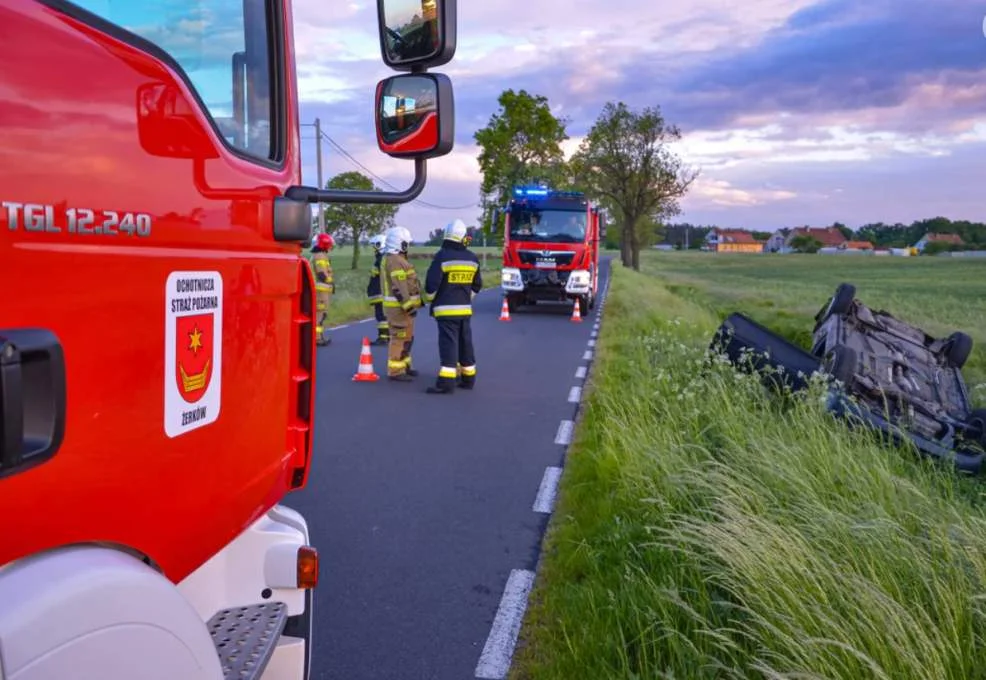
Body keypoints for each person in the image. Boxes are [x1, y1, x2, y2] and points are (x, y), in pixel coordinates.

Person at [423, 219, 482, 394]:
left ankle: (446, 383)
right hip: (465, 309)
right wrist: (465, 298)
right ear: (463, 237)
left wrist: (430, 299)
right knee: (466, 344)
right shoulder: (472, 258)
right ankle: (468, 378)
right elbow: (477, 285)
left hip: (445, 310)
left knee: (449, 344)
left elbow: (431, 285)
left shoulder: (442, 256)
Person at [380, 226, 422, 381]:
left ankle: (404, 365)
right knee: (399, 337)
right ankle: (395, 371)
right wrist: (408, 307)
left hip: (402, 309)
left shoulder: (397, 259)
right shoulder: (395, 261)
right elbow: (399, 288)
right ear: (400, 244)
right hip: (399, 309)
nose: (408, 246)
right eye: (406, 243)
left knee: (407, 337)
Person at [310, 232, 335, 346]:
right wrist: (331, 282)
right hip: (320, 291)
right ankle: (317, 338)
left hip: (322, 290)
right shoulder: (320, 255)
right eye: (329, 245)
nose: (331, 247)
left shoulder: (320, 254)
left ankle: (318, 337)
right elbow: (321, 273)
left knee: (321, 313)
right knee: (320, 314)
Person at [366, 233, 389, 345]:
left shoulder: (381, 259)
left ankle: (383, 337)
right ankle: (387, 336)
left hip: (380, 293)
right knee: (384, 314)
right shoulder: (384, 258)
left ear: (380, 245)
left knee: (381, 315)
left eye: (374, 246)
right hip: (382, 293)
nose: (374, 249)